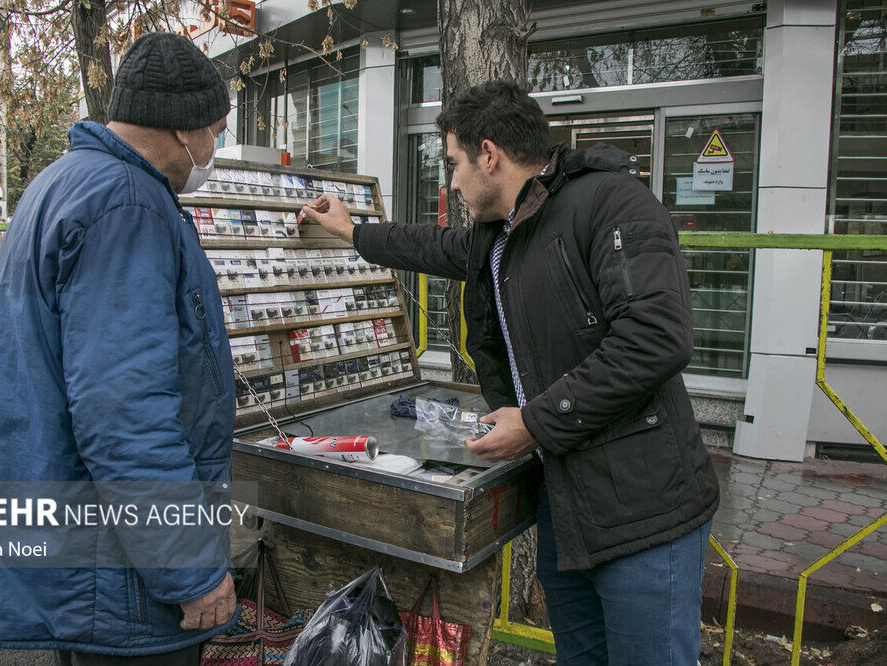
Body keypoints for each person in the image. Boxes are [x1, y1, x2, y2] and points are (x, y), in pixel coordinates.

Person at [302, 80, 720, 665]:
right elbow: (433, 246)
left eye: (454, 163)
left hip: (644, 514)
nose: (452, 182)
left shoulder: (612, 202)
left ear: (489, 155)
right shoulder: (501, 235)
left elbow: (655, 338)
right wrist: (352, 232)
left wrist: (535, 423)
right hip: (567, 508)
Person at [0, 32, 240, 664]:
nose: (213, 149)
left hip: (80, 542)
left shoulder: (65, 180)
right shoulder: (128, 204)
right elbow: (125, 412)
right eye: (215, 131)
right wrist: (191, 569)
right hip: (115, 568)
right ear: (185, 129)